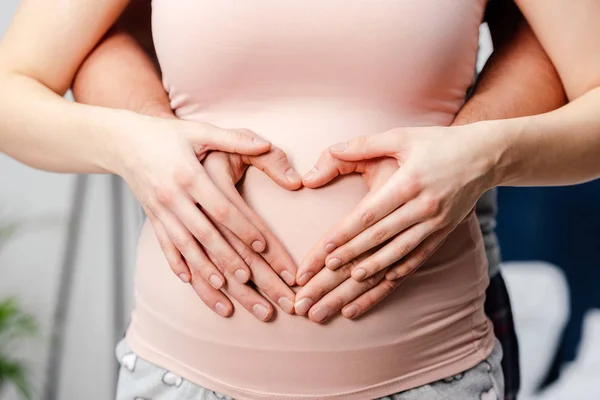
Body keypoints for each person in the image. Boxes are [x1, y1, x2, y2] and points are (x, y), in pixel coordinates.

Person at [0, 0, 596, 399]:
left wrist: (482, 153)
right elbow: (17, 85)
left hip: (433, 376)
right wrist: (135, 144)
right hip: (180, 379)